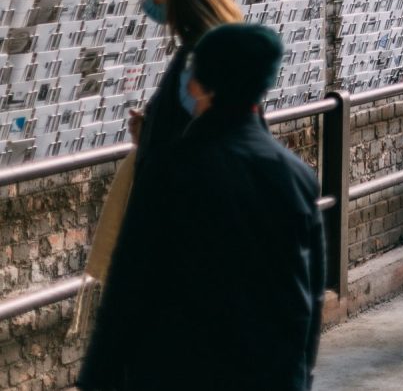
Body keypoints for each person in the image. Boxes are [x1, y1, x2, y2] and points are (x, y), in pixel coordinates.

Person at [80, 24, 327, 390]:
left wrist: (99, 377)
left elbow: (130, 284)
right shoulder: (297, 177)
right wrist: (300, 376)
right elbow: (310, 293)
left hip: (180, 372)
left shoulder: (171, 172)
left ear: (198, 83)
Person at [79, 0, 243, 389]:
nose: (144, 0)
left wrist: (153, 136)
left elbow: (210, 144)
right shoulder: (214, 45)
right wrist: (151, 130)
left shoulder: (201, 56)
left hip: (179, 255)